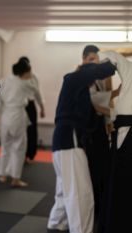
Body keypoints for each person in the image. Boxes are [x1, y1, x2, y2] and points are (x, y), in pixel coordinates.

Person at [47, 46, 116, 233]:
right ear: (84, 60)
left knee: (64, 192)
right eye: (93, 60)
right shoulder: (74, 78)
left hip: (64, 143)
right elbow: (104, 70)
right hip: (70, 141)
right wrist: (115, 60)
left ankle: (55, 226)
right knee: (81, 196)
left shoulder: (81, 88)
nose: (95, 64)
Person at [96, 50, 132, 233]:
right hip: (124, 128)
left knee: (120, 180)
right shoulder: (128, 67)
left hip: (125, 130)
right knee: (120, 180)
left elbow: (110, 54)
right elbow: (110, 54)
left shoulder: (128, 67)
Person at [0, 59, 38, 187]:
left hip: (5, 117)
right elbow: (35, 92)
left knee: (5, 146)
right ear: (24, 72)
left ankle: (3, 175)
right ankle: (15, 178)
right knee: (19, 147)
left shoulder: (3, 81)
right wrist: (31, 77)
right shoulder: (24, 83)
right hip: (18, 117)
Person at [19, 56, 45, 164]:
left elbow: (37, 93)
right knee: (20, 132)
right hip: (19, 106)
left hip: (30, 106)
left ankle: (30, 155)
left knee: (31, 131)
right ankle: (21, 156)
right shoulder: (16, 77)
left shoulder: (33, 77)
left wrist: (42, 107)